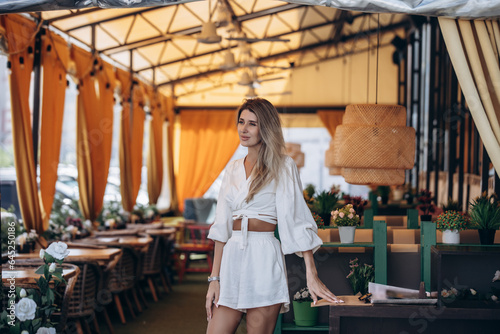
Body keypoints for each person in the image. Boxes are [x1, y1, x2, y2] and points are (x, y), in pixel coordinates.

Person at [206, 98, 340, 334]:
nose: (244, 129)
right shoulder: (233, 168)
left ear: (265, 128)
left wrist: (312, 274)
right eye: (241, 122)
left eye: (252, 124)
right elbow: (221, 226)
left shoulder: (283, 166)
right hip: (232, 258)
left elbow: (297, 220)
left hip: (264, 256)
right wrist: (214, 279)